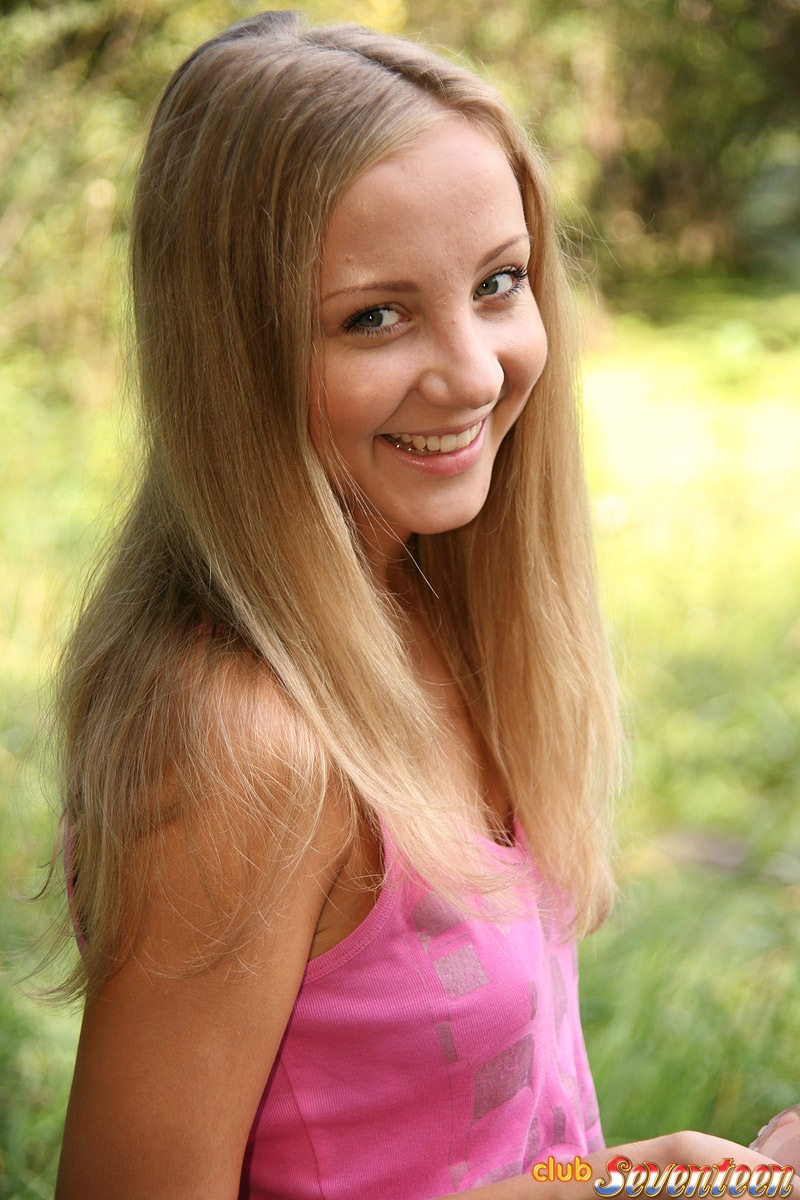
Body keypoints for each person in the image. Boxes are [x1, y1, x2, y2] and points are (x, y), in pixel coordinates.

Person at [52, 11, 795, 1199]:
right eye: (374, 316)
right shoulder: (247, 743)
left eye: (497, 283)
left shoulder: (434, 607)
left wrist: (680, 1183)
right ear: (230, 354)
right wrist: (610, 1186)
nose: (474, 370)